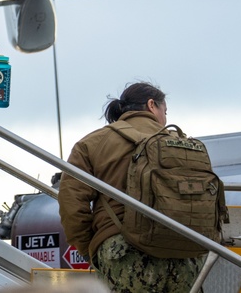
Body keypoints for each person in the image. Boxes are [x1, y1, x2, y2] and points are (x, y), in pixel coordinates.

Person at [58, 82, 204, 293]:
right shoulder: (182, 143)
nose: (165, 119)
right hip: (183, 253)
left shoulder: (92, 143)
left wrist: (92, 248)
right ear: (152, 105)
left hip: (122, 251)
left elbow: (72, 204)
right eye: (165, 111)